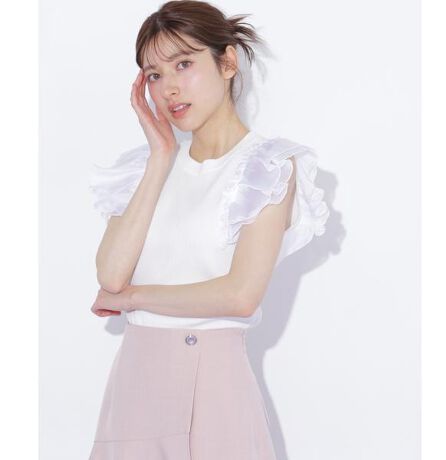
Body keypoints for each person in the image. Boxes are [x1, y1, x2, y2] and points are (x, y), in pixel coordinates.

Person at [87, 1, 330, 458]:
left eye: (184, 64)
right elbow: (110, 276)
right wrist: (160, 157)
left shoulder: (266, 167)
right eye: (154, 74)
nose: (169, 88)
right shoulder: (143, 168)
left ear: (227, 62)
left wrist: (134, 298)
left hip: (215, 387)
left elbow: (240, 295)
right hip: (135, 386)